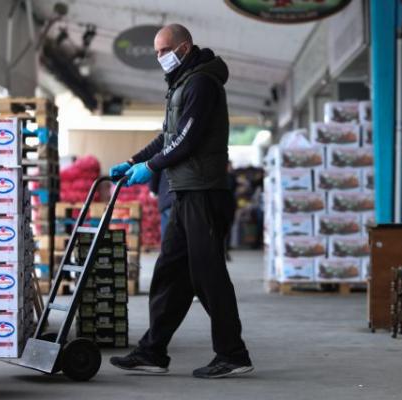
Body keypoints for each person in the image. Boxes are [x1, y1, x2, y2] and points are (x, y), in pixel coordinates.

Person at [108, 23, 253, 379]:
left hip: (204, 192)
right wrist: (133, 161)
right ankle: (152, 352)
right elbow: (167, 136)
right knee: (170, 273)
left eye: (164, 50)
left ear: (184, 48)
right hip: (185, 192)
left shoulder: (202, 83)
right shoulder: (182, 83)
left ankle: (233, 354)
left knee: (208, 277)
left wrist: (150, 168)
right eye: (157, 51)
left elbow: (186, 140)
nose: (160, 57)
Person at [149, 170, 174, 236]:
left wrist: (153, 189)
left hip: (168, 198)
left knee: (168, 236)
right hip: (190, 199)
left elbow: (155, 169)